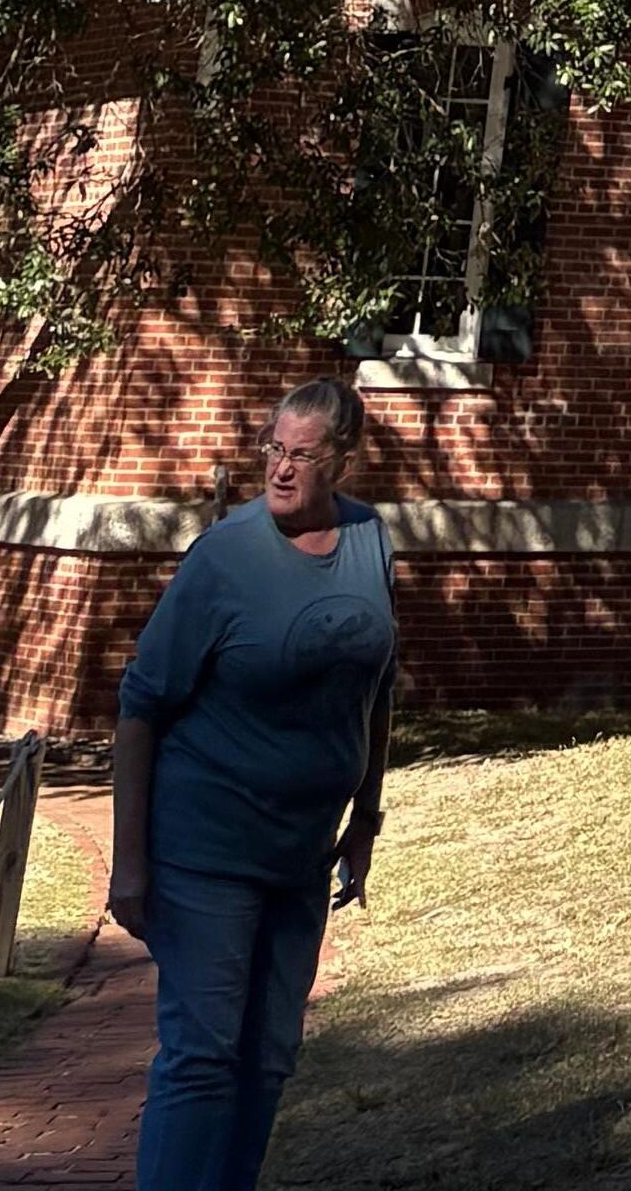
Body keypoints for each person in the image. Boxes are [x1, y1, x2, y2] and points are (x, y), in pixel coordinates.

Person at [107, 382, 394, 1191]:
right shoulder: (226, 556)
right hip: (208, 849)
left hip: (299, 855)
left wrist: (366, 817)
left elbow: (378, 690)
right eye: (273, 448)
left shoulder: (371, 539)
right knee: (202, 1060)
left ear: (343, 459)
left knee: (268, 1059)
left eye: (302, 454)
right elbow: (140, 706)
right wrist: (129, 866)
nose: (281, 467)